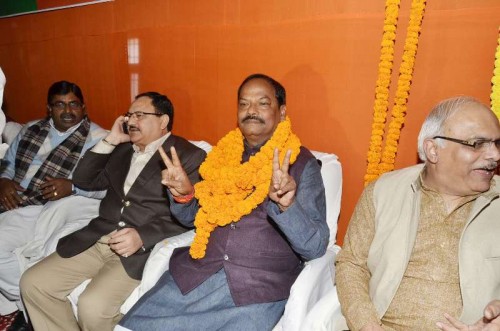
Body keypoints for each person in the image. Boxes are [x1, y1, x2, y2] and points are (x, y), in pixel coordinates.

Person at [116, 73, 330, 331]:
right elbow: (194, 218)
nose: (251, 111)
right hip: (196, 275)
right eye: (244, 103)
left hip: (256, 291)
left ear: (281, 112)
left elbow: (316, 247)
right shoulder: (221, 157)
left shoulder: (301, 164)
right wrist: (185, 194)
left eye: (262, 103)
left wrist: (287, 205)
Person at [20, 91, 207, 331]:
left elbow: (191, 215)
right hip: (98, 237)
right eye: (129, 115)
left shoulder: (189, 156)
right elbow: (84, 180)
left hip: (139, 250)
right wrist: (109, 141)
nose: (131, 121)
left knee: (93, 307)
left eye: (140, 115)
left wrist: (142, 236)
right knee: (33, 283)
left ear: (163, 121)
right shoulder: (122, 150)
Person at [335, 96, 500, 331]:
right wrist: (366, 326)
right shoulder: (383, 191)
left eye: (497, 143)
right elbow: (351, 263)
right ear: (433, 150)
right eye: (477, 144)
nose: (494, 155)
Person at [0, 81, 107, 319]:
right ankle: (28, 303)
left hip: (49, 207)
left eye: (73, 104)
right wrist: (4, 182)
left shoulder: (101, 140)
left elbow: (110, 189)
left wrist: (74, 187)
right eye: (59, 105)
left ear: (84, 107)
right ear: (49, 108)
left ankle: (28, 303)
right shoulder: (30, 129)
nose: (68, 111)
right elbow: (7, 165)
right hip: (16, 199)